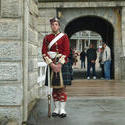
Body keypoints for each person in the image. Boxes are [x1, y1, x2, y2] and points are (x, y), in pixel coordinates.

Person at [42, 17, 71, 118]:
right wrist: (51, 64)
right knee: (54, 88)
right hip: (51, 64)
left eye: (56, 24)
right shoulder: (46, 38)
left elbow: (67, 51)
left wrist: (59, 64)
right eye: (52, 24)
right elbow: (44, 52)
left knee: (62, 88)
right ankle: (56, 108)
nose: (54, 26)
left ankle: (62, 109)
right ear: (51, 26)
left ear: (59, 26)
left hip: (61, 64)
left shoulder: (64, 37)